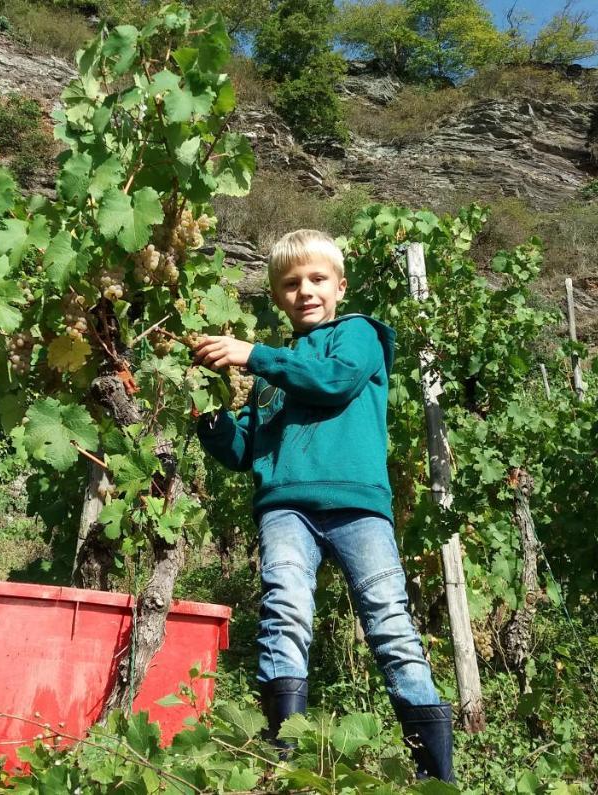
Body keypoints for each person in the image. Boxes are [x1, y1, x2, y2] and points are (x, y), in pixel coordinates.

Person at [192, 229, 453, 782]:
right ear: (276, 296)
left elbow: (333, 383)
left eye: (316, 279)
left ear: (340, 286)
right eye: (291, 284)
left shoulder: (357, 336)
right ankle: (286, 765)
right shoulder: (271, 374)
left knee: (390, 624)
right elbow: (248, 451)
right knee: (284, 611)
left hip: (359, 509)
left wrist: (255, 355)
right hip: (285, 507)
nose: (305, 291)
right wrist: (211, 424)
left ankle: (436, 778)